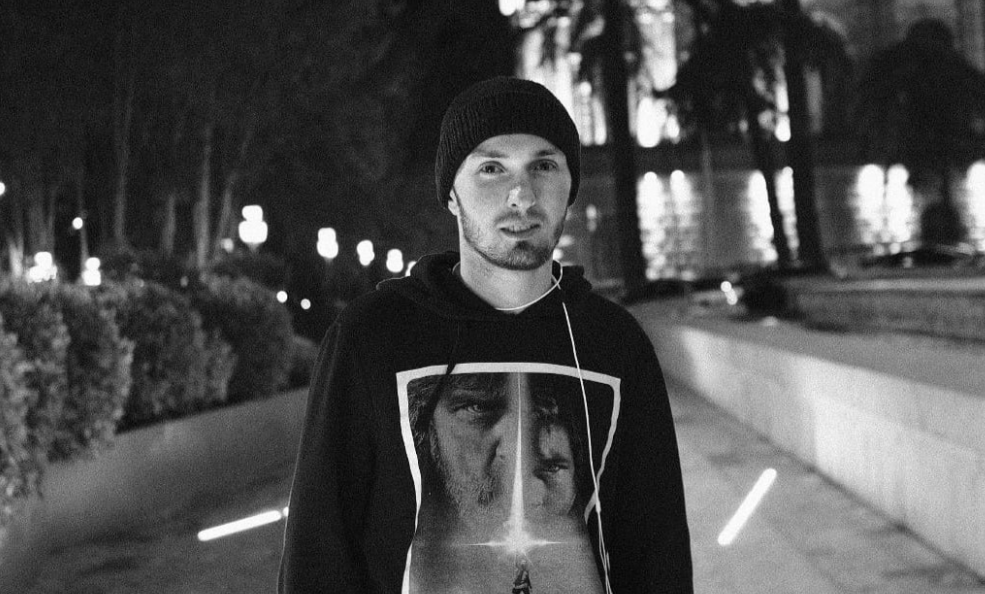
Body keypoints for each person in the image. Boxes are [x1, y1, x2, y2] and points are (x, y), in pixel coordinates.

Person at [279, 76, 692, 594]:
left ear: (569, 188)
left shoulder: (615, 342)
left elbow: (657, 550)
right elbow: (319, 552)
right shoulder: (372, 337)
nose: (522, 196)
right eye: (492, 168)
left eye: (543, 166)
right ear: (452, 194)